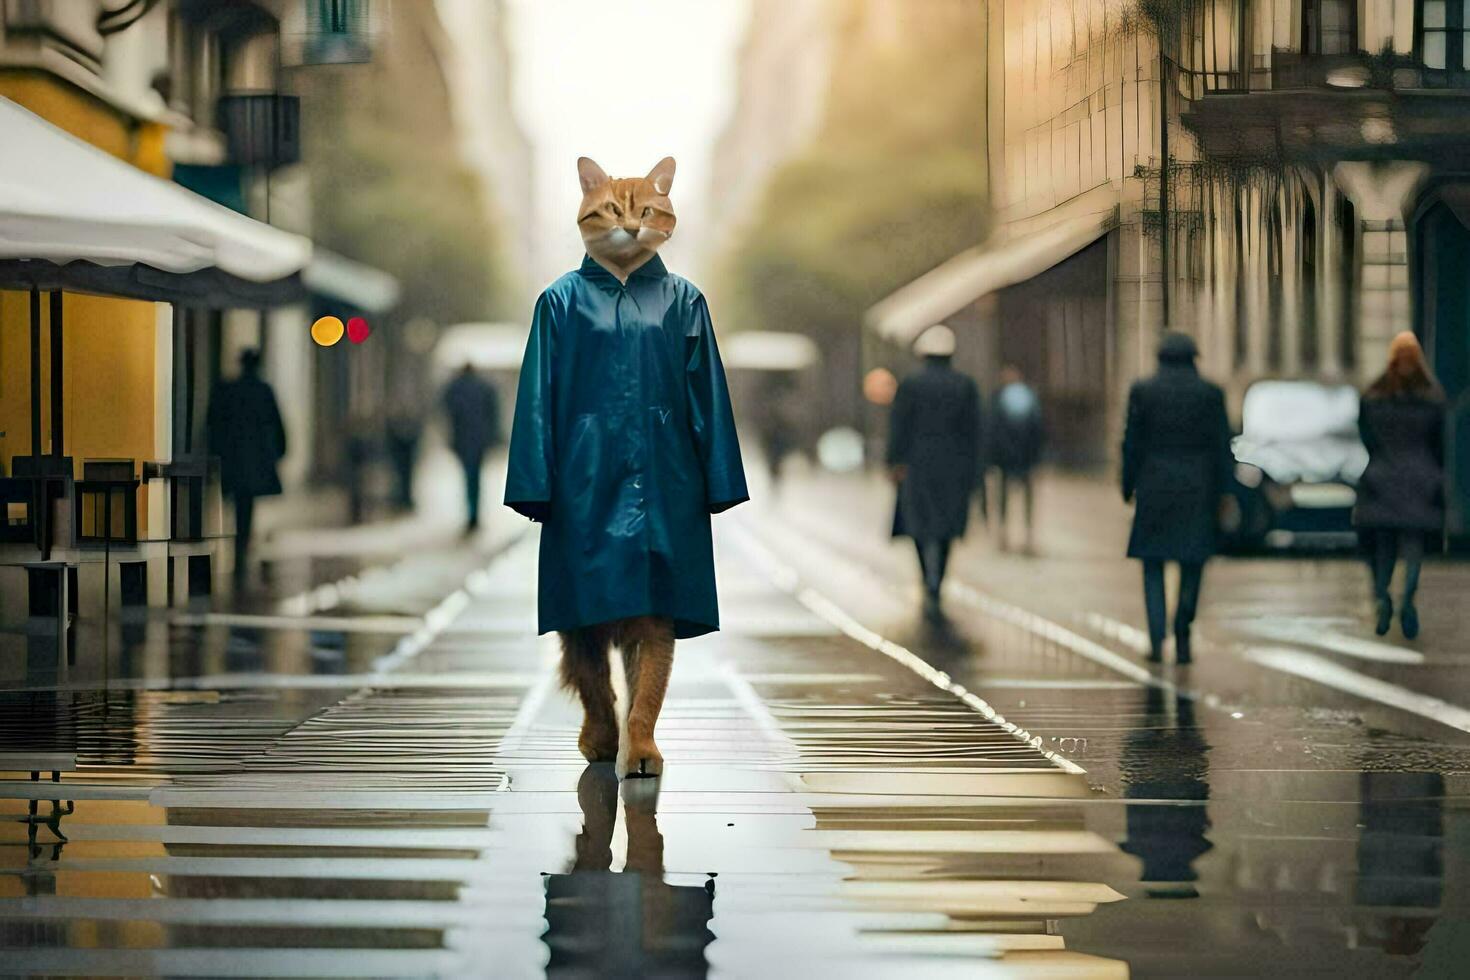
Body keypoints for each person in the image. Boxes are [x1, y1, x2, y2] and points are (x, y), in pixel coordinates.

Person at [1121, 331, 1232, 664]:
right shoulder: (1210, 394)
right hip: (1198, 486)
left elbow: (1132, 443)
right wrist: (1225, 491)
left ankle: (1156, 637)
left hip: (1154, 483)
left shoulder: (1143, 391)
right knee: (1192, 562)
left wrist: (1127, 485)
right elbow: (1221, 446)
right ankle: (1183, 631)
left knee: (1152, 563)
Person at [1354, 331, 1445, 640]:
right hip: (1420, 475)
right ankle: (1408, 600)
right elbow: (1439, 444)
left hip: (1382, 475)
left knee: (1382, 545)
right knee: (1413, 545)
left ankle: (1383, 597)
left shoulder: (1374, 396)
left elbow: (1365, 436)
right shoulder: (1431, 398)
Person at [888, 323, 982, 618]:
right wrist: (975, 472)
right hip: (955, 466)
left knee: (919, 521)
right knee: (947, 524)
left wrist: (894, 462)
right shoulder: (966, 385)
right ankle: (938, 577)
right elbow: (975, 432)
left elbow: (899, 425)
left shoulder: (911, 384)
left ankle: (925, 575)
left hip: (919, 465)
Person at [206, 348, 286, 585]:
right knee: (247, 502)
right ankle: (242, 542)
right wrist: (279, 450)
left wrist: (216, 452)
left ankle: (240, 543)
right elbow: (277, 424)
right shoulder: (263, 390)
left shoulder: (228, 390)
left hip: (234, 458)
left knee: (240, 501)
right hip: (256, 458)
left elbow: (214, 423)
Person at [989, 364, 1044, 551]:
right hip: (1025, 456)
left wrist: (995, 454)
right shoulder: (1029, 397)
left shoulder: (999, 399)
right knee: (1026, 497)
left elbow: (994, 429)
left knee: (1004, 496)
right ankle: (1026, 535)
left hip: (1007, 457)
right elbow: (1037, 428)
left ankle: (1005, 534)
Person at [442, 363, 501, 534]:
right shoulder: (485, 387)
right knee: (475, 476)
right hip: (479, 439)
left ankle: (472, 513)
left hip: (462, 439)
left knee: (469, 477)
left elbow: (446, 409)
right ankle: (474, 513)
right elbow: (493, 412)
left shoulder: (455, 388)